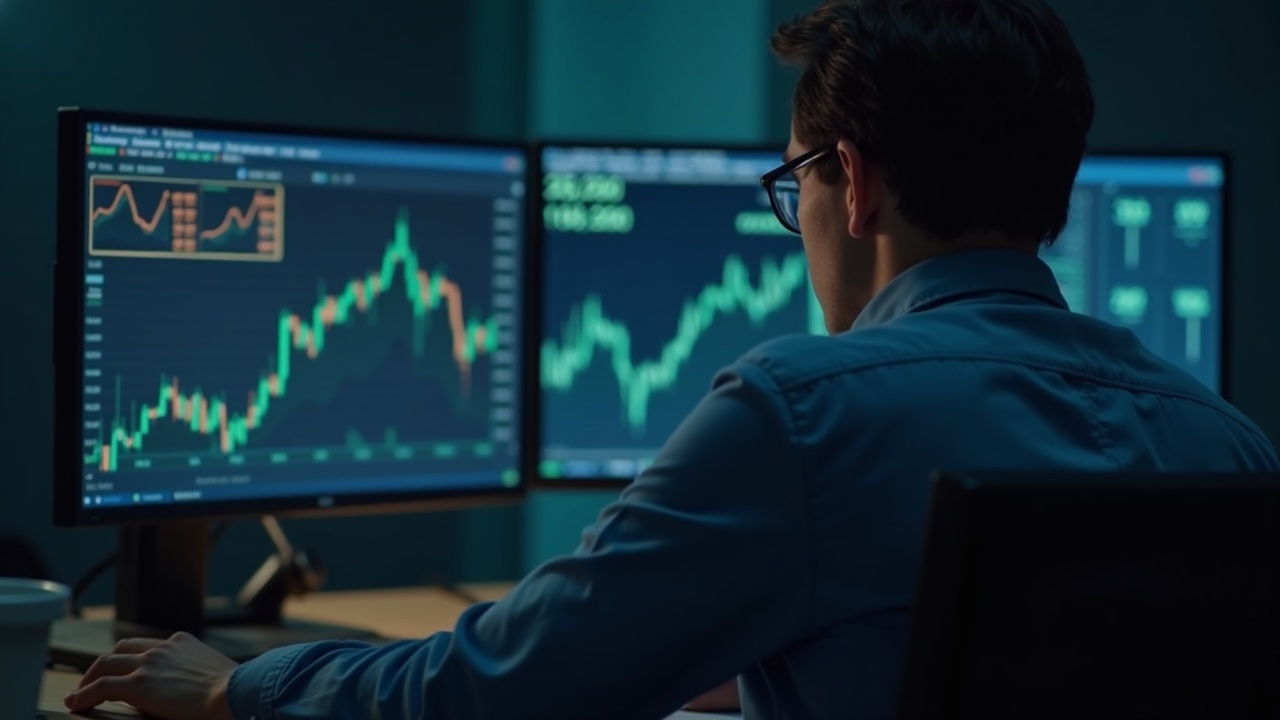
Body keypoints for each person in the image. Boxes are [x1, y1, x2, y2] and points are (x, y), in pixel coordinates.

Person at [65, 0, 1279, 718]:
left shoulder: (802, 413)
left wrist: (237, 688)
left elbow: (499, 697)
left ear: (847, 182)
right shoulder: (1226, 446)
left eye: (790, 185)